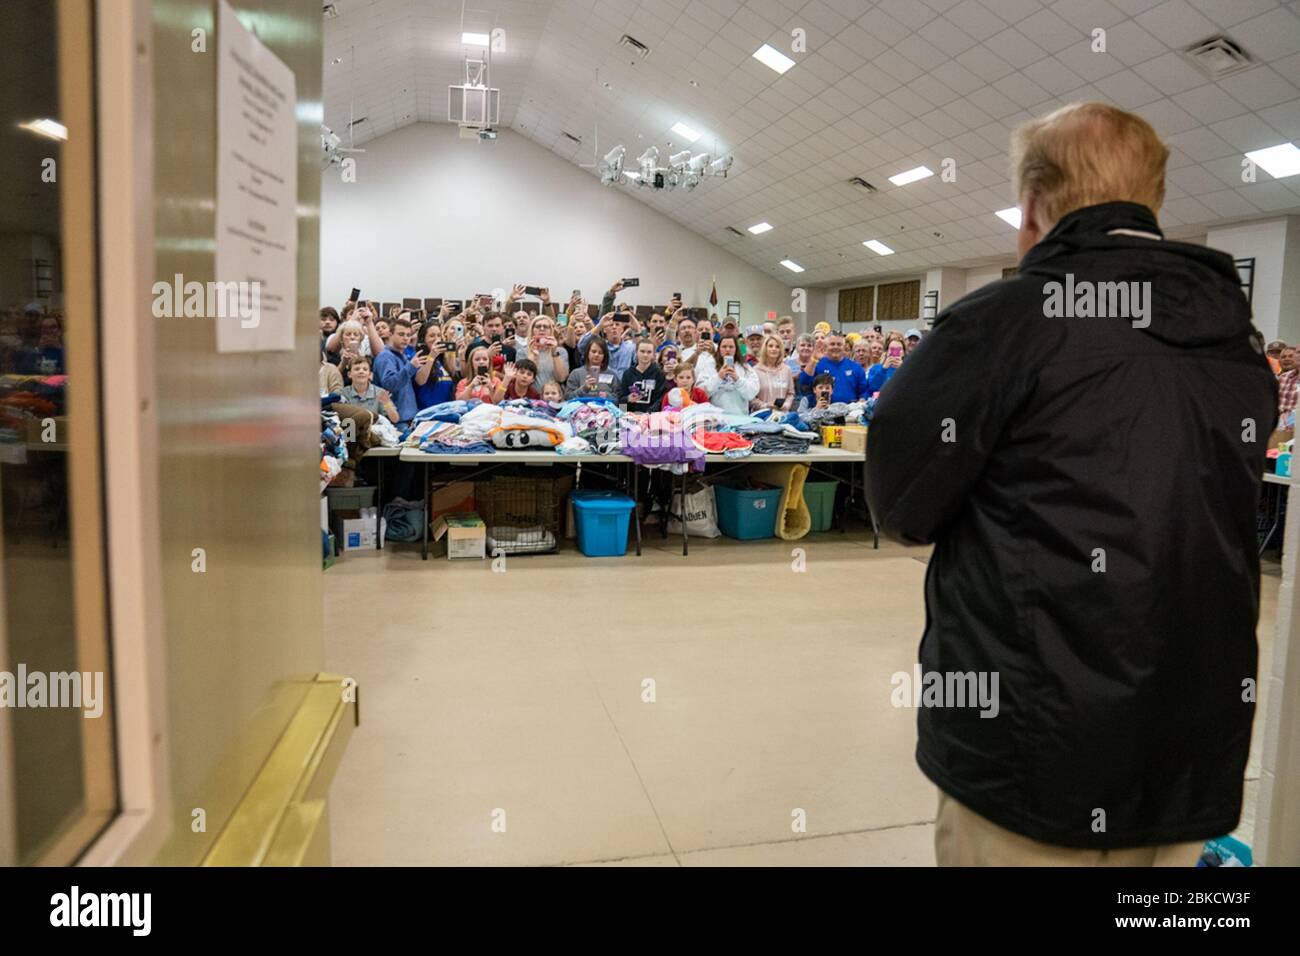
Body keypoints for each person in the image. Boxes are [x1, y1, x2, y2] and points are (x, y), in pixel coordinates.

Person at [866, 102, 1277, 867]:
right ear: (1151, 200)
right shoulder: (1235, 341)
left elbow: (903, 503)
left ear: (1031, 207)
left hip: (1034, 740)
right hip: (1187, 739)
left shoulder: (1005, 322)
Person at [371, 316, 424, 423]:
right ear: (390, 334)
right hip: (396, 422)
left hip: (409, 418)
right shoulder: (385, 357)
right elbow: (389, 385)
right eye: (401, 334)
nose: (405, 338)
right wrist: (411, 367)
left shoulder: (402, 356)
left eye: (408, 335)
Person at [797, 330, 868, 403]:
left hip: (850, 411)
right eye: (832, 344)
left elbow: (864, 391)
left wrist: (862, 400)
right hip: (824, 409)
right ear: (826, 346)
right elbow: (804, 383)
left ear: (844, 347)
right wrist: (813, 359)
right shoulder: (818, 365)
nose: (836, 347)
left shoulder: (855, 367)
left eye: (839, 344)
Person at [707, 335, 759, 415]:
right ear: (719, 349)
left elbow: (752, 393)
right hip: (716, 417)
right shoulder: (709, 366)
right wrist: (718, 378)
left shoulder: (745, 368)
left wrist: (738, 380)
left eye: (731, 347)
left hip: (740, 417)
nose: (727, 349)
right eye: (724, 346)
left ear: (736, 349)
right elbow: (702, 392)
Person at [341, 355, 399, 423]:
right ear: (349, 374)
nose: (361, 371)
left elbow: (395, 419)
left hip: (375, 430)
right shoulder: (343, 393)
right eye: (357, 369)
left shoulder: (380, 393)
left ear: (370, 374)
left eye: (365, 369)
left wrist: (387, 404)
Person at [413, 319, 456, 409]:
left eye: (439, 335)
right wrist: (432, 355)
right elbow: (420, 381)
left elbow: (452, 372)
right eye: (432, 336)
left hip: (446, 411)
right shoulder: (419, 358)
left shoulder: (440, 360)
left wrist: (452, 350)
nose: (437, 339)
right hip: (428, 414)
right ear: (423, 339)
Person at [579, 310, 635, 376]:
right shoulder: (599, 347)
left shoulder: (630, 347)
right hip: (601, 384)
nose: (614, 327)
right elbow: (581, 346)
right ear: (604, 329)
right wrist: (599, 326)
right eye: (610, 325)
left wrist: (637, 328)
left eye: (617, 324)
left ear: (622, 329)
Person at [621, 339, 668, 413]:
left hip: (651, 417)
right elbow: (621, 399)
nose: (645, 355)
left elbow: (660, 399)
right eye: (642, 351)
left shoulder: (659, 374)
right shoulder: (628, 374)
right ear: (636, 352)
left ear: (653, 354)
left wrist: (649, 414)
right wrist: (627, 400)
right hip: (630, 417)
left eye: (649, 352)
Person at [753, 334, 795, 411]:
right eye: (770, 346)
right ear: (765, 348)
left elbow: (790, 394)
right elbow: (751, 398)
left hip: (782, 413)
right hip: (763, 414)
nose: (774, 349)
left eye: (777, 346)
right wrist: (766, 405)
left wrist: (786, 405)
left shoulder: (787, 370)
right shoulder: (755, 370)